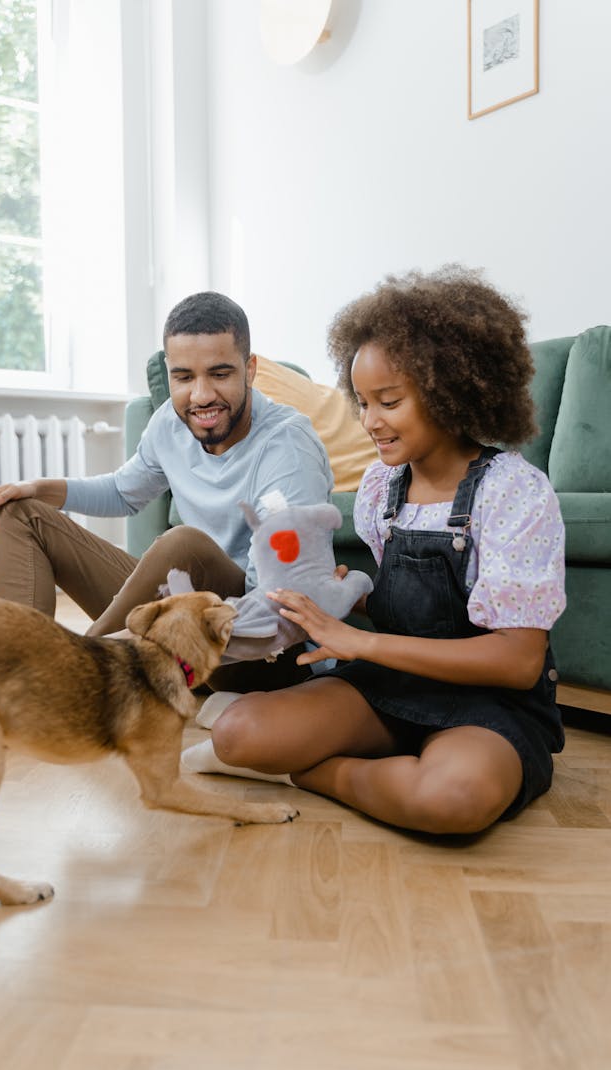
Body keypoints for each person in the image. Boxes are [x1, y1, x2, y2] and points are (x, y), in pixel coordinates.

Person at [184, 266, 566, 833]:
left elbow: (517, 661)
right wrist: (342, 603)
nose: (370, 423)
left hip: (488, 707)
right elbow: (423, 607)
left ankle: (312, 774)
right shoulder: (380, 489)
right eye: (362, 403)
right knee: (238, 734)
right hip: (391, 688)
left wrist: (360, 640)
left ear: (449, 390)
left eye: (388, 401)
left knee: (452, 800)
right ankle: (384, 767)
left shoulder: (513, 490)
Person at [0, 291, 334, 690]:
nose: (201, 395)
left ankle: (71, 675)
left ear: (250, 370)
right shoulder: (171, 422)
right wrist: (37, 488)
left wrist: (189, 625)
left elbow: (280, 603)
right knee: (21, 511)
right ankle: (15, 675)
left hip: (258, 648)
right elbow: (124, 492)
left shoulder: (288, 447)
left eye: (220, 373)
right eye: (183, 377)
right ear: (170, 371)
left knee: (183, 546)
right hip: (182, 615)